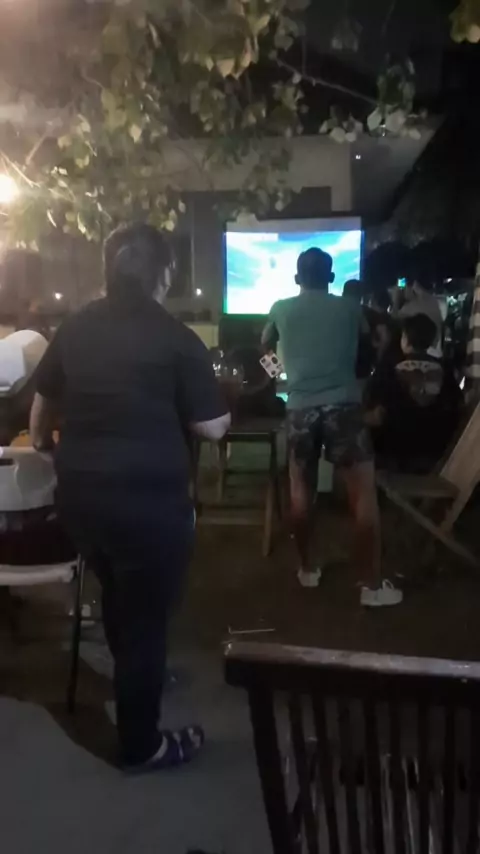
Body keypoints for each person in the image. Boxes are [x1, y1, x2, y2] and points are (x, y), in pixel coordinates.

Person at [30, 223, 230, 771]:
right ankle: (142, 745)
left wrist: (46, 447)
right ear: (164, 275)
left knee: (119, 592)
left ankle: (137, 674)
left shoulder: (75, 327)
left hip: (81, 499)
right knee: (145, 617)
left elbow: (43, 403)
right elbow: (212, 427)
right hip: (149, 503)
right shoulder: (176, 338)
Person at [262, 247, 402, 607]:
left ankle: (308, 569)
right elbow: (373, 341)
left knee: (300, 492)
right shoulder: (350, 308)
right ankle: (371, 586)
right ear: (332, 278)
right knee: (362, 494)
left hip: (299, 408)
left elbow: (262, 345)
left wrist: (280, 375)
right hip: (345, 406)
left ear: (297, 278)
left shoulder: (280, 308)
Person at [365, 313, 463, 472]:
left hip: (393, 450)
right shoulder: (445, 370)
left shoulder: (388, 368)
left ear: (404, 338)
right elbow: (457, 405)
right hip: (435, 449)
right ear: (432, 340)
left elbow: (376, 409)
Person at [391, 277, 444, 358]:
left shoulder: (413, 306)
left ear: (413, 287)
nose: (404, 290)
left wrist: (396, 300)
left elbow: (393, 320)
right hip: (433, 355)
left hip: (413, 356)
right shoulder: (434, 303)